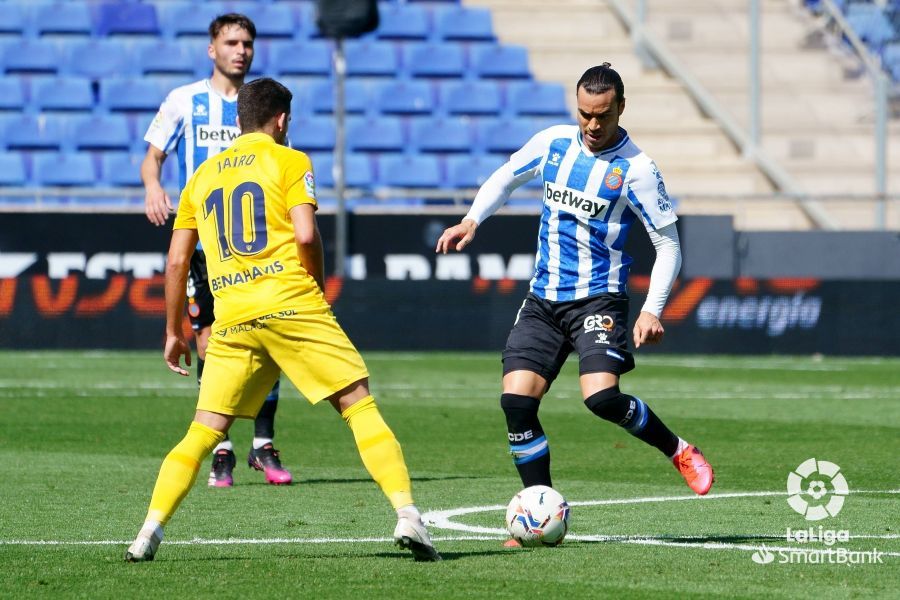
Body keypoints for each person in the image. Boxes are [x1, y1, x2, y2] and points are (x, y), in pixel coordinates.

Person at [125, 77, 440, 563]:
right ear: (281, 120)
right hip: (291, 301)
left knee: (203, 430)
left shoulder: (201, 177)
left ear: (238, 120)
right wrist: (314, 284)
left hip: (232, 315)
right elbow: (307, 235)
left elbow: (176, 262)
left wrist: (173, 331)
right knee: (358, 406)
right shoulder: (290, 160)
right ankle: (408, 516)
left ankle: (148, 530)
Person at [436, 64, 714, 507]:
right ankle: (538, 506)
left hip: (598, 298)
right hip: (543, 299)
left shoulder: (637, 169)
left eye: (602, 115)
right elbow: (507, 176)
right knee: (516, 404)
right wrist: (472, 219)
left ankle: (678, 450)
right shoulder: (554, 143)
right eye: (585, 113)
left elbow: (668, 245)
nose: (592, 125)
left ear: (621, 108)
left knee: (602, 398)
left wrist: (652, 309)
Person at [141, 13, 292, 487]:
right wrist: (153, 187)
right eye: (231, 42)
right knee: (209, 341)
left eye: (247, 42)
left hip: (259, 242)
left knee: (271, 334)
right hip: (207, 245)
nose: (240, 50)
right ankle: (222, 448)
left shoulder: (264, 105)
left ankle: (263, 443)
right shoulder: (184, 101)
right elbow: (153, 157)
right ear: (212, 49)